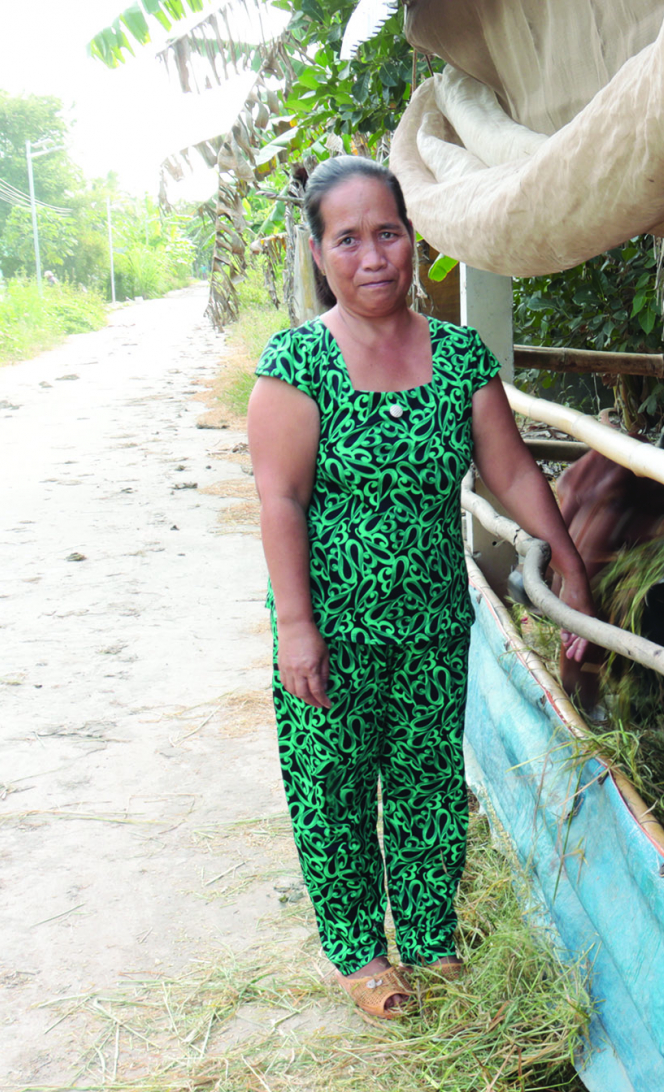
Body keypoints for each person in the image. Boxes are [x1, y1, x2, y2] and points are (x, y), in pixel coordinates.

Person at [247, 155, 591, 1021]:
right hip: (332, 624)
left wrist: (569, 559)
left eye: (389, 233)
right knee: (332, 783)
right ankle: (358, 950)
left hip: (436, 620)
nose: (373, 257)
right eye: (349, 239)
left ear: (415, 241)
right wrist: (297, 625)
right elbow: (280, 499)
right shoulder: (297, 366)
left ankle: (432, 935)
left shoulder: (460, 358)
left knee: (429, 780)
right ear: (320, 252)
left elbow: (510, 473)